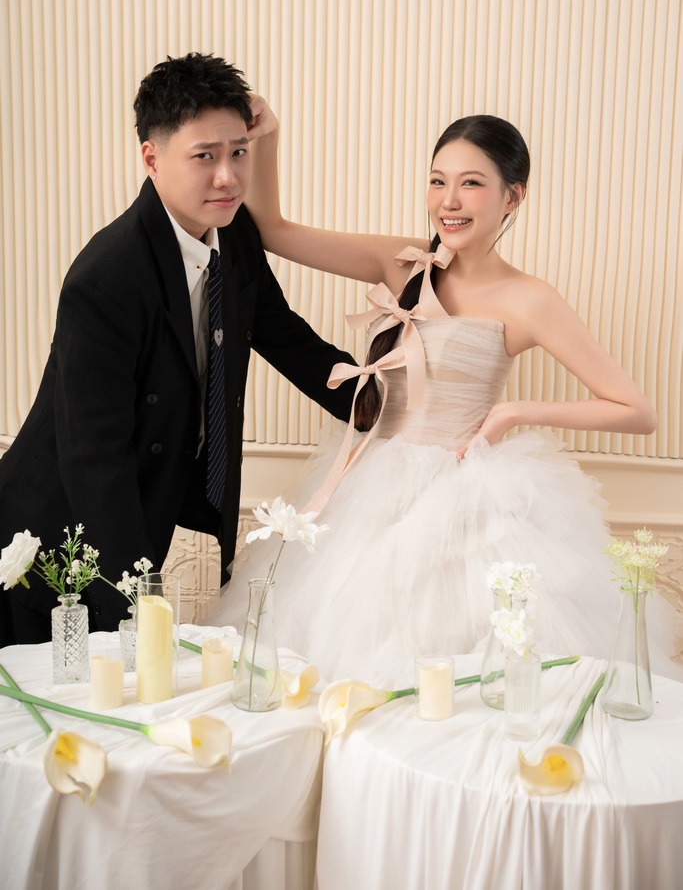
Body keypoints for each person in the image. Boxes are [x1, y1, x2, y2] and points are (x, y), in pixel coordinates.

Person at [204, 104, 682, 683]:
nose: (449, 201)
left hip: (463, 497)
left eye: (471, 183)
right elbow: (274, 231)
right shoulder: (402, 262)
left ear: (513, 197)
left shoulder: (531, 300)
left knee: (465, 672)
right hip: (367, 483)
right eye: (438, 181)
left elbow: (637, 410)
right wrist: (268, 137)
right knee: (331, 662)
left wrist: (513, 412)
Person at [0, 54, 358, 647]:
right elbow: (95, 457)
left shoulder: (234, 236)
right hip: (54, 544)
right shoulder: (106, 279)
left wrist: (385, 406)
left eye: (238, 152)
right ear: (151, 158)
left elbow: (287, 337)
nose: (228, 177)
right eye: (205, 157)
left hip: (144, 511)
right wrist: (135, 602)